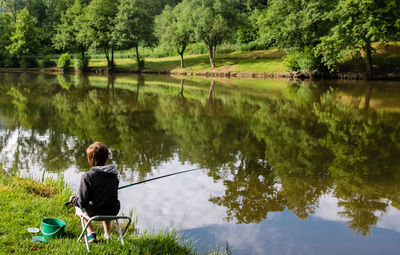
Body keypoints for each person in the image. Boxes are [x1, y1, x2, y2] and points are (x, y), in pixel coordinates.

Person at [69, 142, 120, 243]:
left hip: (95, 212)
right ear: (106, 159)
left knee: (80, 208)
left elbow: (83, 202)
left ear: (89, 160)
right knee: (106, 202)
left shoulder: (87, 176)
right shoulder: (114, 175)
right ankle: (108, 235)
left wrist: (73, 200)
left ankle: (90, 233)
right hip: (113, 211)